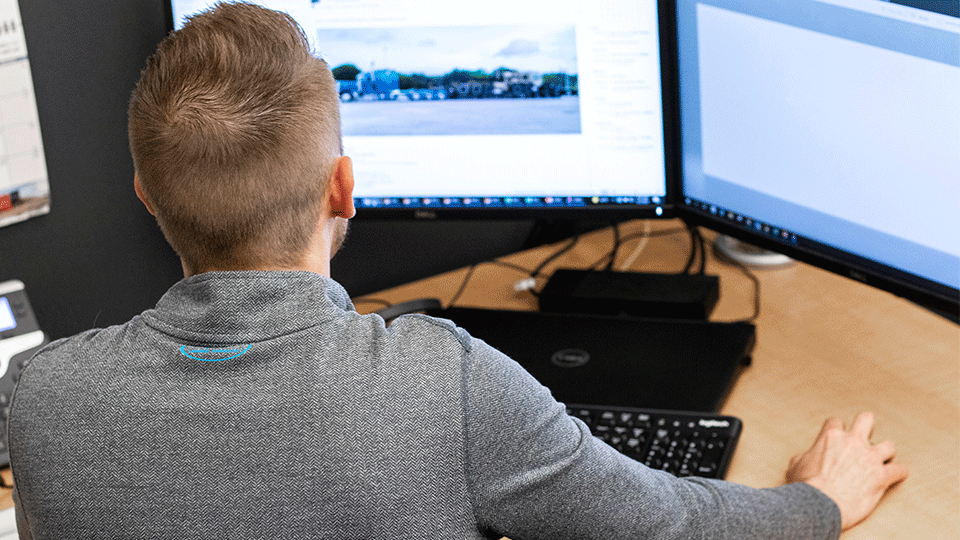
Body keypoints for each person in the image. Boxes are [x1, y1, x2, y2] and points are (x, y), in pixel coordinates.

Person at [8, 3, 908, 538]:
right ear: (345, 188)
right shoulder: (441, 382)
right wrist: (818, 501)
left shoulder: (39, 400)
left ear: (143, 194)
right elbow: (670, 525)